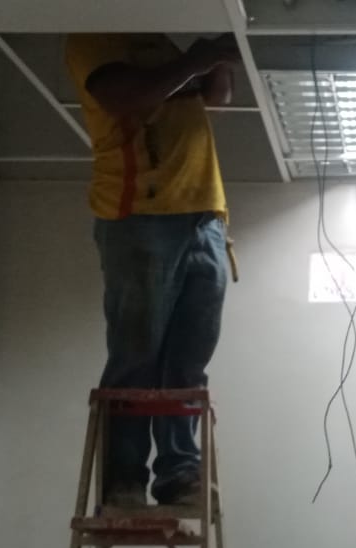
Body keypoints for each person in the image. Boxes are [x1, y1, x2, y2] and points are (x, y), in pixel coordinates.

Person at [64, 33, 240, 507]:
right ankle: (124, 479)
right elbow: (123, 97)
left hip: (205, 216)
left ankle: (179, 474)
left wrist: (217, 58)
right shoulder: (94, 37)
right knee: (137, 355)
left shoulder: (163, 41)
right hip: (140, 211)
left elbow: (219, 97)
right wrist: (195, 60)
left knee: (189, 359)